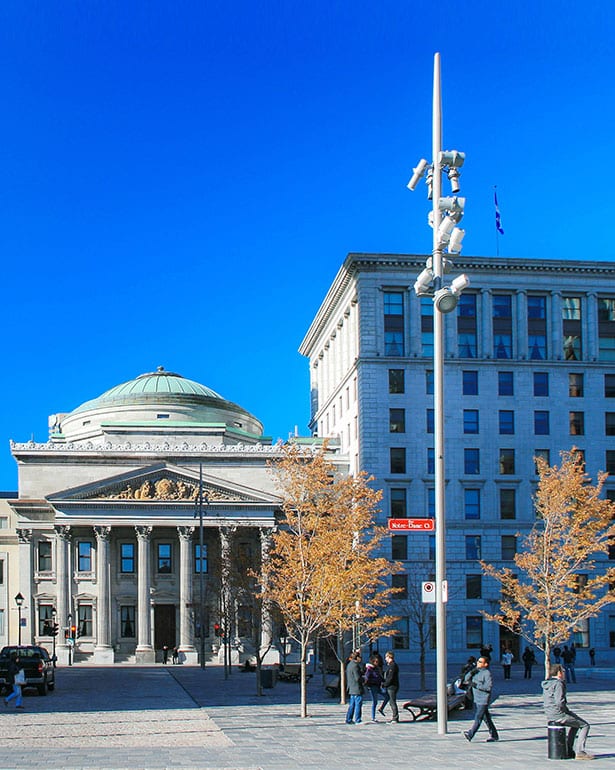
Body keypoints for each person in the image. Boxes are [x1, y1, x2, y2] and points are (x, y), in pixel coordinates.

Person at [542, 663, 593, 760]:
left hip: (550, 713)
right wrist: (566, 711)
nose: (565, 673)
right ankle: (580, 752)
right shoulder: (558, 683)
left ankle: (569, 749)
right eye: (563, 671)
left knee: (575, 725)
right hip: (559, 714)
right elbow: (559, 702)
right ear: (559, 673)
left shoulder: (547, 683)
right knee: (585, 725)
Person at [463, 656, 499, 743]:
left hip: (483, 699)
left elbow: (488, 687)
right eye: (478, 661)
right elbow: (466, 679)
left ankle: (470, 734)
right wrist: (472, 672)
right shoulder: (476, 671)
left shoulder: (487, 673)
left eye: (480, 662)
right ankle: (494, 735)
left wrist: (476, 685)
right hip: (476, 698)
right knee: (486, 718)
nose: (478, 663)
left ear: (485, 664)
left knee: (478, 717)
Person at [378, 650, 400, 723]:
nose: (385, 659)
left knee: (392, 702)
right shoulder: (390, 665)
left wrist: (384, 684)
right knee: (390, 700)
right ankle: (382, 709)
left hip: (392, 687)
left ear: (389, 657)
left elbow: (390, 677)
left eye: (386, 657)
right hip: (390, 686)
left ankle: (395, 717)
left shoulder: (392, 666)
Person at [345, 651, 364, 724]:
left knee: (352, 705)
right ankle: (358, 719)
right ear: (357, 658)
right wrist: (364, 679)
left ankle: (349, 719)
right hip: (356, 688)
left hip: (351, 687)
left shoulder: (349, 665)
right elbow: (357, 678)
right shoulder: (355, 666)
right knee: (358, 704)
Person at [363, 653, 384, 721]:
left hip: (378, 686)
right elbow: (367, 677)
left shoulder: (376, 668)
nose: (377, 663)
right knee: (375, 701)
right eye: (375, 662)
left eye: (377, 662)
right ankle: (373, 717)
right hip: (373, 687)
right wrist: (368, 683)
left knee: (387, 696)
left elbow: (379, 676)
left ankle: (381, 708)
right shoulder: (370, 669)